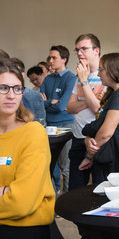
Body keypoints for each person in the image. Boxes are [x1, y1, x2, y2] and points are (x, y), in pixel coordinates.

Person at [0, 60, 55, 239]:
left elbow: (21, 203)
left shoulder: (33, 133)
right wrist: (0, 191)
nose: (11, 95)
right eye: (2, 88)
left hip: (24, 237)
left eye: (17, 88)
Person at [66, 34, 106, 239]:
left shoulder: (102, 75)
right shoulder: (79, 76)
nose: (80, 53)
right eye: (77, 49)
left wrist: (84, 85)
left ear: (96, 50)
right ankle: (85, 237)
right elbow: (70, 107)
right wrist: (86, 96)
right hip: (77, 139)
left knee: (98, 192)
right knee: (76, 191)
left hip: (96, 142)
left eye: (84, 49)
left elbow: (97, 107)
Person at [79, 53, 119, 176]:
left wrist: (89, 155)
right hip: (114, 154)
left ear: (113, 70)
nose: (98, 74)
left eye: (101, 70)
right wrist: (88, 139)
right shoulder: (118, 92)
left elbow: (106, 133)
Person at [40, 45, 76, 193]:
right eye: (49, 57)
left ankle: (66, 203)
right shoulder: (47, 79)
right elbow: (39, 104)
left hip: (66, 126)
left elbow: (62, 106)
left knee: (66, 168)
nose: (50, 60)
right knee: (50, 167)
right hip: (48, 127)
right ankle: (52, 203)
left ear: (64, 59)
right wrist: (50, 102)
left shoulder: (71, 78)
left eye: (54, 57)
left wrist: (47, 102)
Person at [10, 57, 46, 123]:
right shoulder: (2, 95)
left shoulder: (35, 95)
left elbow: (41, 121)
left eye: (15, 72)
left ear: (22, 75)